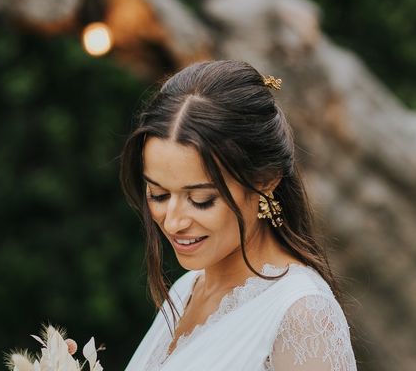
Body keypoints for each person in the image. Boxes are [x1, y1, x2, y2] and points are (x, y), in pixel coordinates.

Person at [119, 60, 357, 370]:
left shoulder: (302, 315)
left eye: (201, 199)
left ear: (265, 179)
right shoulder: (185, 291)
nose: (174, 221)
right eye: (159, 194)